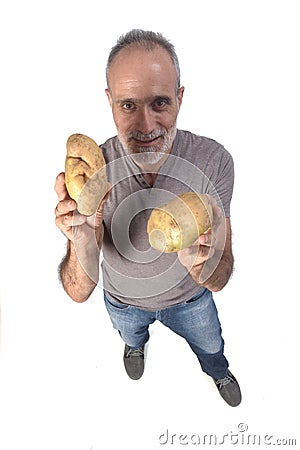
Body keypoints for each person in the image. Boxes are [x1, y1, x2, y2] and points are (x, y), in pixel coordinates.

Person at [54, 29, 241, 407]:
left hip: (192, 302)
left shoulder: (213, 161)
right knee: (131, 335)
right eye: (128, 106)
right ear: (109, 102)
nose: (146, 125)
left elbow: (219, 279)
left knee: (210, 343)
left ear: (180, 98)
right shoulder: (94, 171)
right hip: (122, 302)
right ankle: (135, 347)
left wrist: (204, 265)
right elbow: (78, 290)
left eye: (160, 102)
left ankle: (217, 369)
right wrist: (82, 242)